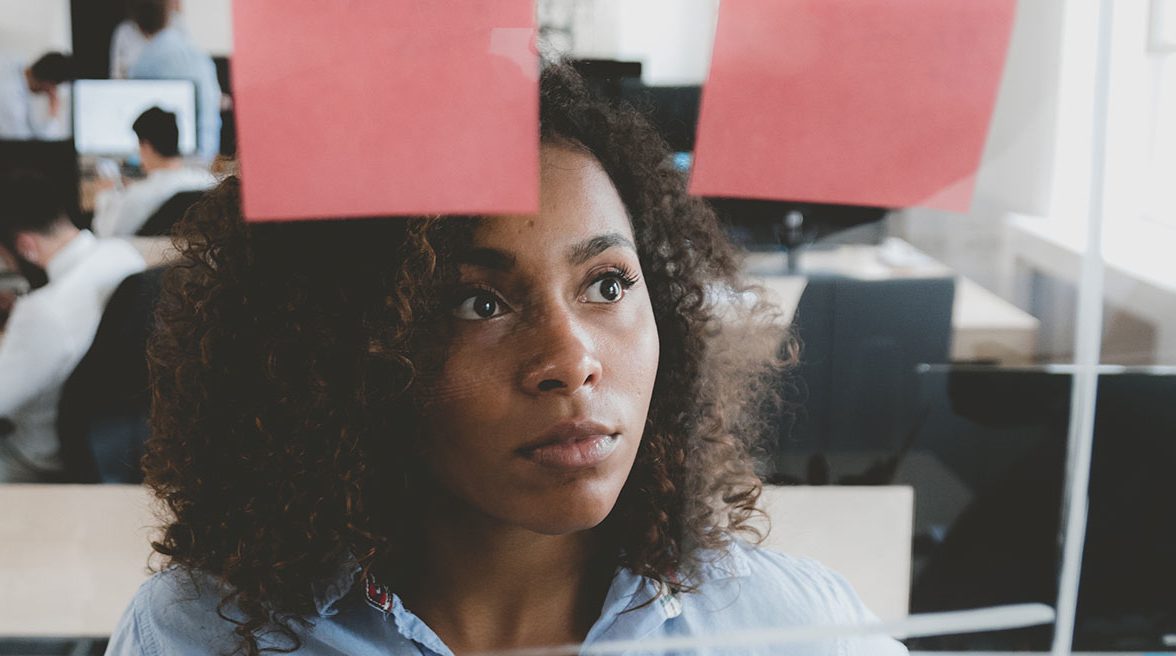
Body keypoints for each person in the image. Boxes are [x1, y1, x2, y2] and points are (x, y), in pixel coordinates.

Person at [104, 63, 907, 655]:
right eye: (478, 303)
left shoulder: (792, 631)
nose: (571, 359)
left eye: (606, 283)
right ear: (346, 350)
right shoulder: (200, 634)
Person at [0, 171, 145, 482]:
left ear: (25, 245)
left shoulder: (42, 312)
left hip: (41, 455)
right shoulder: (123, 254)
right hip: (116, 440)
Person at [91, 107, 216, 239]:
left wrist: (105, 195)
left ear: (146, 146)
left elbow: (106, 236)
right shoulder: (206, 181)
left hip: (154, 258)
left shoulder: (139, 195)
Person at [125, 0, 221, 160]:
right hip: (202, 159)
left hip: (164, 162)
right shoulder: (196, 55)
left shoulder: (142, 64)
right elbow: (211, 112)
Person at [0, 51, 74, 140]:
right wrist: (53, 112)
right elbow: (28, 147)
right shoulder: (13, 106)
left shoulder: (13, 61)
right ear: (48, 84)